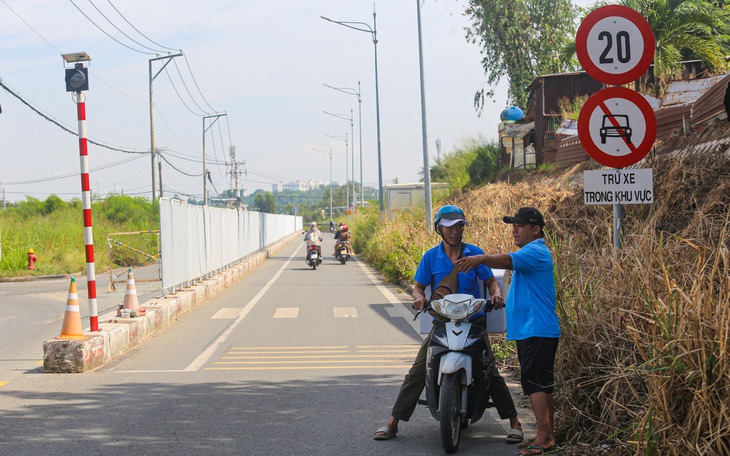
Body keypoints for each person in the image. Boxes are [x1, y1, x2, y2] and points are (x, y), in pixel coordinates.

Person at [373, 205, 523, 443]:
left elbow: (490, 282)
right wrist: (419, 298)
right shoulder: (430, 257)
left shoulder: (474, 253)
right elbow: (419, 287)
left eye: (459, 226)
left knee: (489, 371)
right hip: (442, 323)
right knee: (418, 370)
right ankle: (394, 421)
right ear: (439, 229)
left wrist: (496, 294)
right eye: (450, 227)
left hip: (473, 323)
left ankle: (515, 422)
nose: (455, 231)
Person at [456, 207, 560, 456]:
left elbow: (506, 260)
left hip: (536, 330)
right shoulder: (532, 252)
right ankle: (546, 434)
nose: (515, 229)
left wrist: (480, 259)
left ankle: (544, 437)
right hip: (535, 329)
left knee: (535, 385)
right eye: (513, 225)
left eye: (520, 225)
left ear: (535, 230)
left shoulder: (535, 251)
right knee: (541, 385)